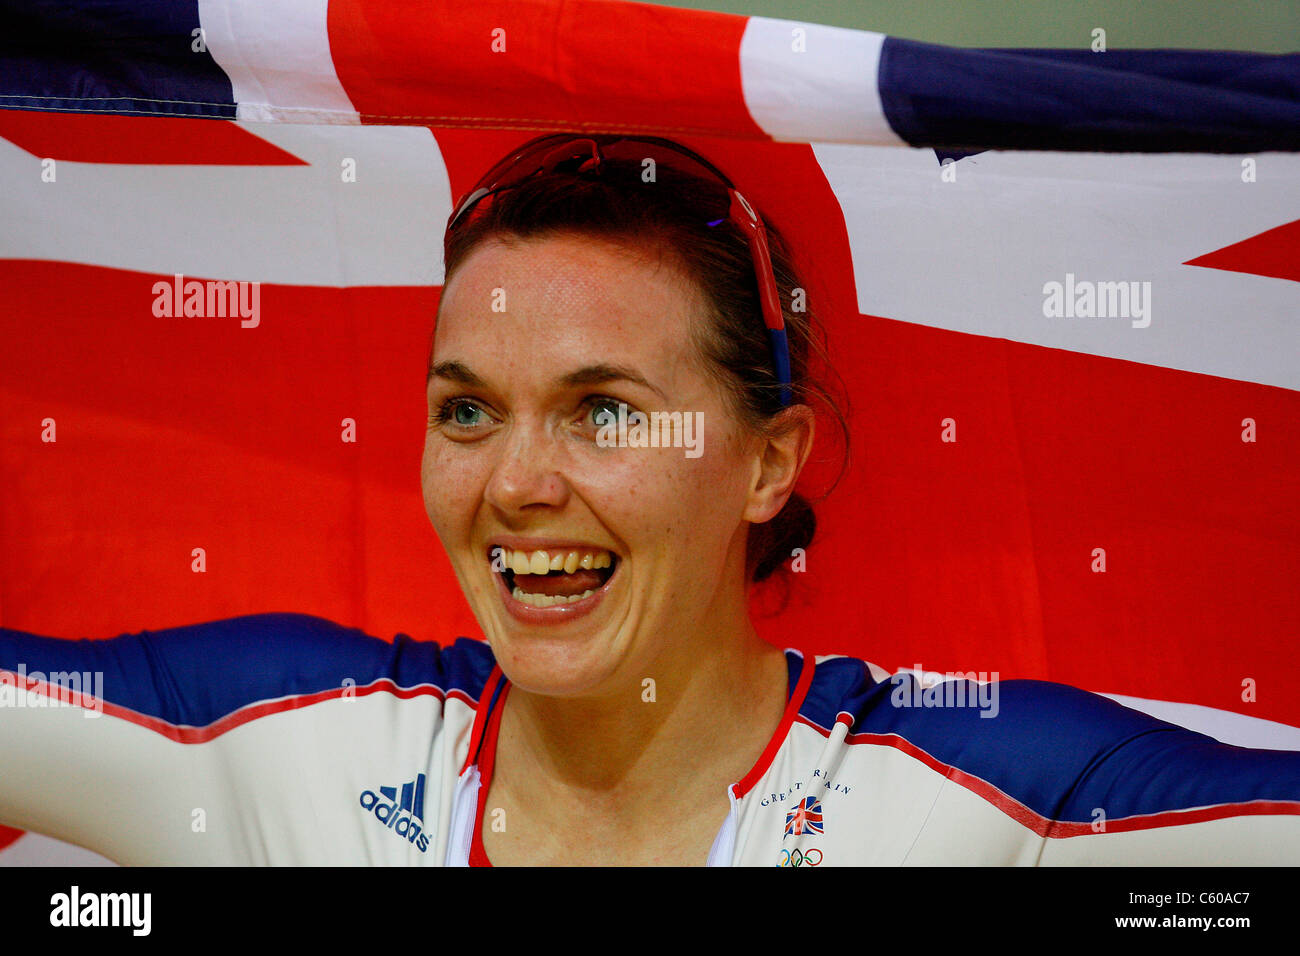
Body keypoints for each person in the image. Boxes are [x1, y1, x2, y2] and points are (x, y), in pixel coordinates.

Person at [2, 134, 1298, 866]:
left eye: (605, 411)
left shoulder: (991, 803)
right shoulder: (285, 743)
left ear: (767, 463)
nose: (516, 483)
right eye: (467, 411)